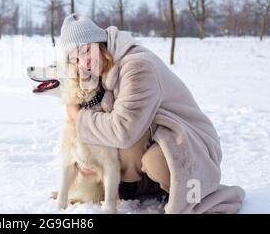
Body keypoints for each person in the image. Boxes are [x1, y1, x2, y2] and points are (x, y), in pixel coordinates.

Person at [60, 13, 245, 213]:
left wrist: (77, 117)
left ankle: (180, 186)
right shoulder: (105, 71)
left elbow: (122, 130)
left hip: (190, 143)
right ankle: (138, 188)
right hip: (155, 132)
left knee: (154, 162)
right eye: (75, 58)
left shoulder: (137, 66)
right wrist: (90, 158)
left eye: (87, 51)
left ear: (101, 43)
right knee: (116, 146)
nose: (84, 63)